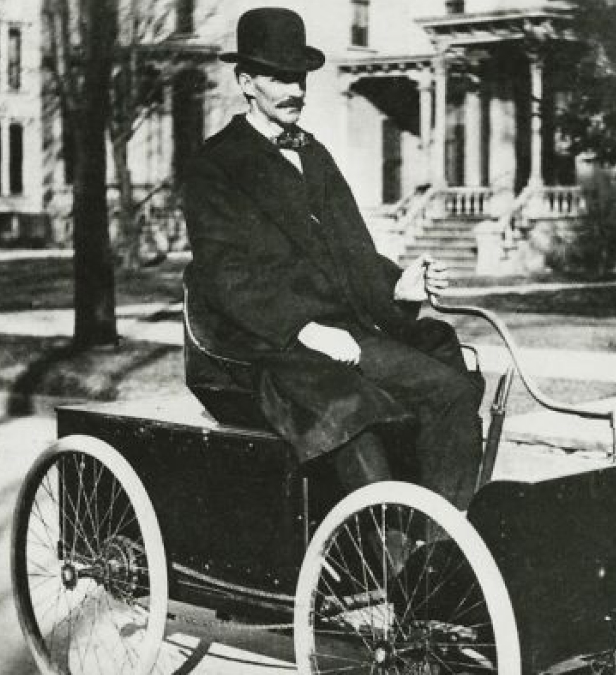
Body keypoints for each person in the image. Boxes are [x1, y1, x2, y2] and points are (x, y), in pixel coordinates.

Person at [180, 7, 484, 510]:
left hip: (339, 335)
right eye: (278, 77)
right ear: (246, 82)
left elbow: (351, 251)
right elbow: (225, 275)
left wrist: (396, 286)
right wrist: (304, 329)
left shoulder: (313, 153)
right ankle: (387, 554)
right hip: (263, 345)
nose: (295, 90)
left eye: (298, 78)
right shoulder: (215, 165)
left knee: (450, 387)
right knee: (350, 411)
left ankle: (439, 554)